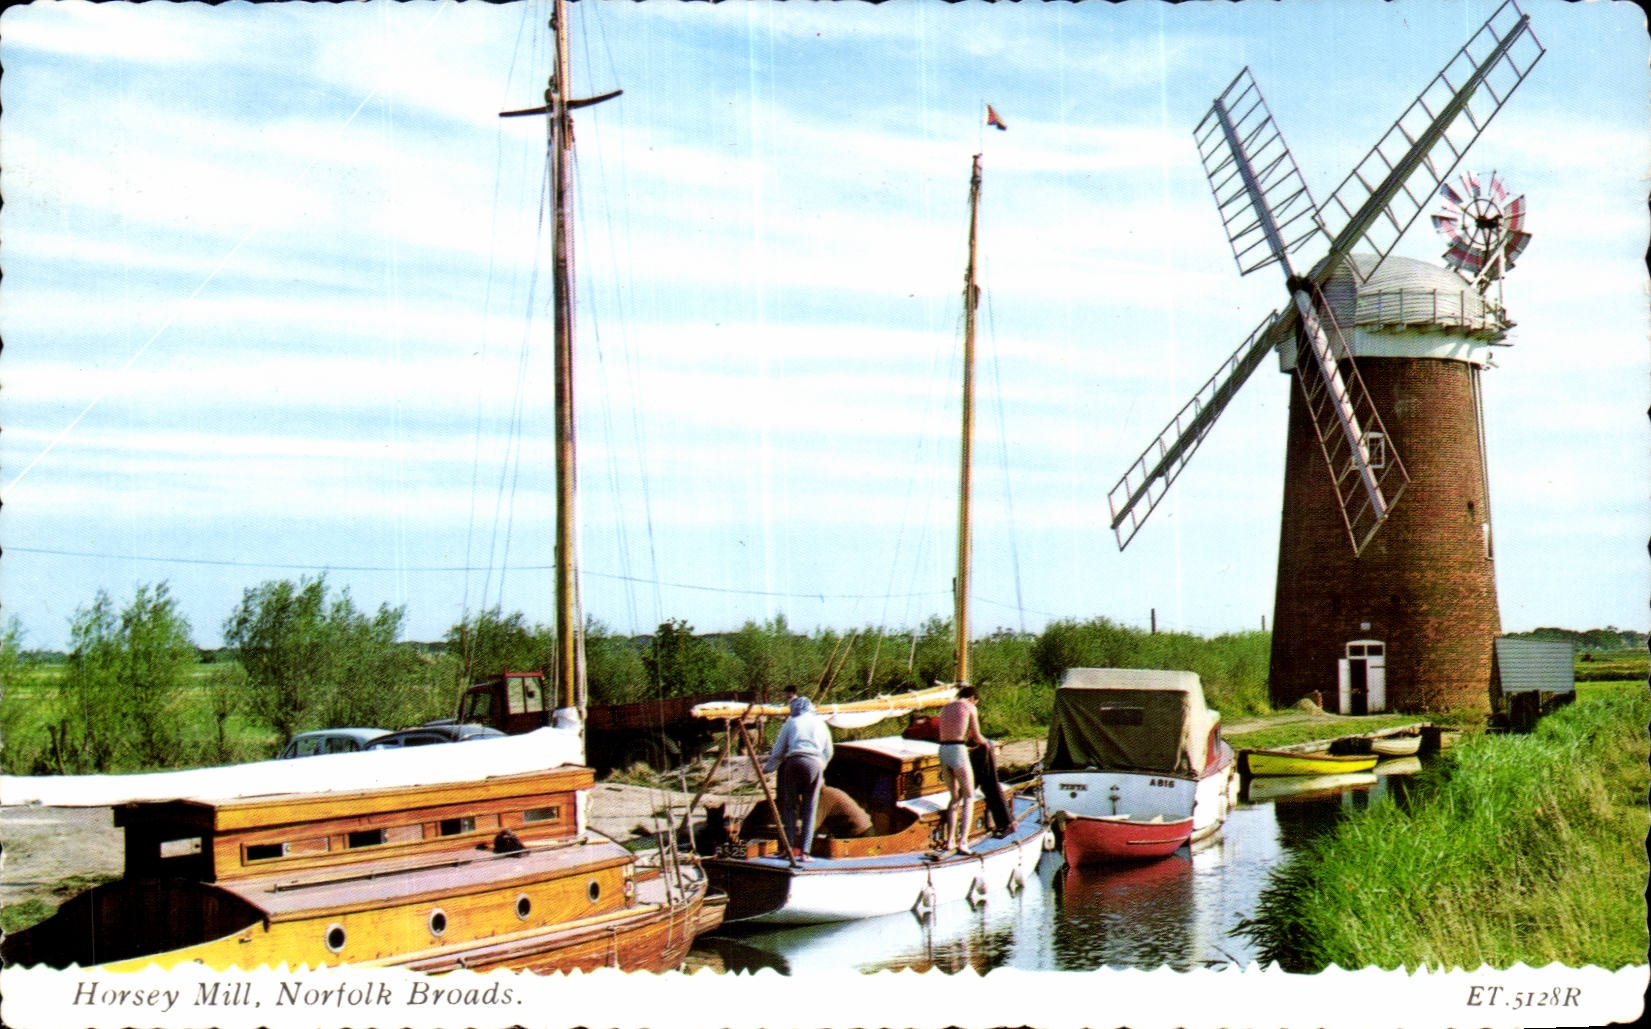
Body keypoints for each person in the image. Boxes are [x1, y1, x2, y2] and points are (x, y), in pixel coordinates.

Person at [762, 688, 834, 862]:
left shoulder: (791, 722)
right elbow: (828, 751)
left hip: (794, 762)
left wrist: (767, 769)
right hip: (815, 762)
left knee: (790, 807)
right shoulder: (821, 723)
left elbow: (778, 751)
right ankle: (805, 853)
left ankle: (788, 849)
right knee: (810, 809)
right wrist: (820, 767)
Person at [936, 685, 989, 854]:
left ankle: (950, 840)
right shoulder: (969, 707)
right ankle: (963, 841)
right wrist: (986, 743)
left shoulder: (945, 708)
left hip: (943, 751)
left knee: (954, 797)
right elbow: (977, 736)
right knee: (969, 796)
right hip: (958, 751)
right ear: (973, 698)